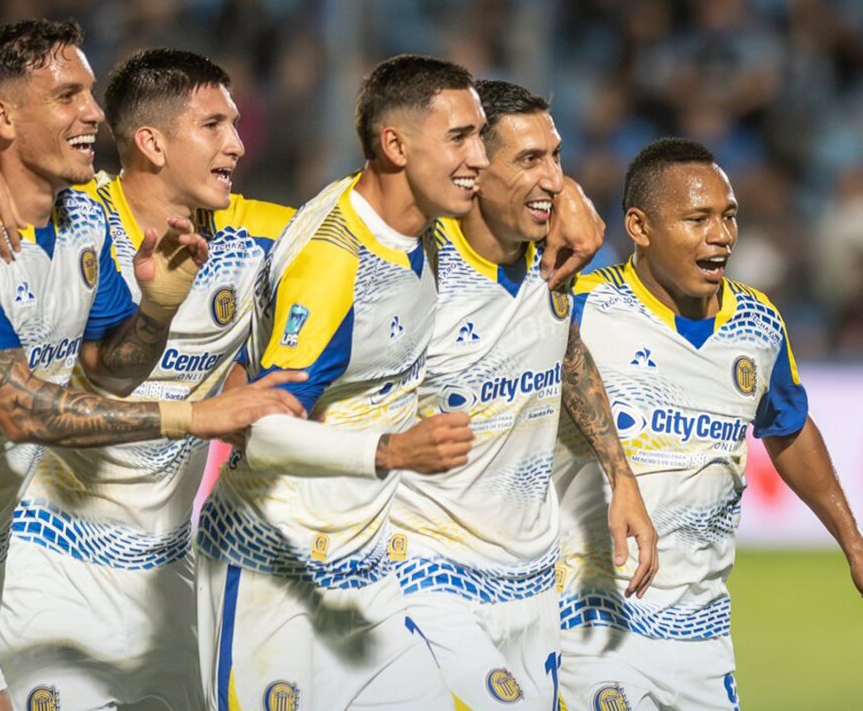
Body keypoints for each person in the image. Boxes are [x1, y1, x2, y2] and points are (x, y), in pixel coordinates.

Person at [0, 47, 480, 711]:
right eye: (214, 126)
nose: (238, 144)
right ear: (152, 143)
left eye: (235, 125)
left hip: (171, 575)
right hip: (54, 568)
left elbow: (362, 216)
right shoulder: (76, 217)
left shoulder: (256, 237)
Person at [0, 21, 302, 711]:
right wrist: (198, 415)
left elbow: (109, 372)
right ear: (3, 118)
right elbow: (21, 411)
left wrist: (159, 308)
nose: (94, 113)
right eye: (68, 96)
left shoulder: (83, 225)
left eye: (90, 93)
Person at [195, 54, 488, 710]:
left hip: (364, 576)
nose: (480, 158)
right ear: (396, 146)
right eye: (460, 138)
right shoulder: (334, 265)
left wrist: (565, 203)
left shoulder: (419, 223)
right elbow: (259, 431)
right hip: (272, 576)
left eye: (480, 136)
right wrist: (392, 451)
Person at [554, 137, 863, 710]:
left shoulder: (757, 323)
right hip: (591, 621)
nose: (721, 235)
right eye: (697, 219)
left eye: (729, 216)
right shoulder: (581, 308)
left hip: (703, 634)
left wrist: (853, 541)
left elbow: (788, 427)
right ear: (640, 227)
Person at [388, 80, 657, 711]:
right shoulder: (417, 267)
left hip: (532, 580)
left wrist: (622, 478)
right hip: (428, 569)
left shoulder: (554, 259)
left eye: (557, 157)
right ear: (474, 168)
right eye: (529, 159)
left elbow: (567, 351)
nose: (553, 179)